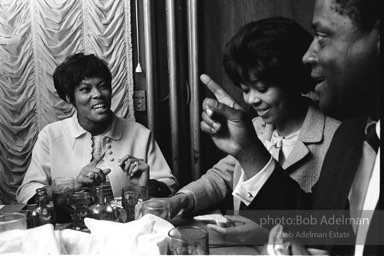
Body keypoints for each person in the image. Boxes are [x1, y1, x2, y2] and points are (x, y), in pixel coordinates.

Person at [196, 0, 380, 254]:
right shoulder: (352, 136)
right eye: (246, 89)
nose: (307, 55)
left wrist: (261, 233)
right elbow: (326, 224)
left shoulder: (337, 133)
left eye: (323, 36)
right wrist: (247, 150)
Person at [163, 17, 340, 243]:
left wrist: (267, 234)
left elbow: (348, 227)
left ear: (292, 79)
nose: (252, 99)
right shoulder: (255, 127)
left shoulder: (337, 139)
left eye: (262, 88)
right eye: (245, 89)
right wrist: (181, 199)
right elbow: (221, 177)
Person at [17, 53, 178, 204]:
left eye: (103, 86)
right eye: (86, 89)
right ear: (69, 97)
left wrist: (148, 184)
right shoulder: (51, 135)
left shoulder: (139, 133)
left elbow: (170, 187)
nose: (98, 94)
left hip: (127, 226)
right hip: (70, 228)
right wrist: (72, 187)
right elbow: (27, 194)